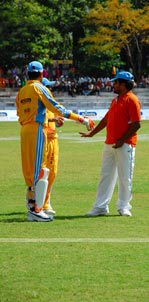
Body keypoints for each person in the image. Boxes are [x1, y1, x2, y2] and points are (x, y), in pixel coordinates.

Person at [16, 61, 94, 222]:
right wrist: (80, 118)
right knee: (40, 170)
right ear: (41, 74)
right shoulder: (39, 88)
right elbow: (57, 107)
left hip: (25, 131)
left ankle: (33, 206)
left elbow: (20, 114)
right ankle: (37, 209)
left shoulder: (22, 91)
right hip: (38, 129)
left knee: (31, 171)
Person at [80, 71, 141, 217]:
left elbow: (137, 124)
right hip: (109, 144)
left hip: (125, 145)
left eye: (116, 83)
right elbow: (107, 119)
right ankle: (100, 206)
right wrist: (92, 133)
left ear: (124, 84)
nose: (113, 85)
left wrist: (122, 139)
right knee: (105, 176)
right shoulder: (115, 100)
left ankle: (124, 206)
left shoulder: (132, 100)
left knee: (125, 177)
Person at [41, 77, 64, 215]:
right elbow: (33, 118)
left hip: (53, 139)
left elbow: (56, 116)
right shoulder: (38, 102)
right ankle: (34, 201)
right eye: (47, 87)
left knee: (52, 172)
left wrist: (58, 121)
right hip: (42, 139)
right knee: (40, 172)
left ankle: (46, 202)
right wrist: (52, 119)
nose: (50, 89)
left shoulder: (52, 102)